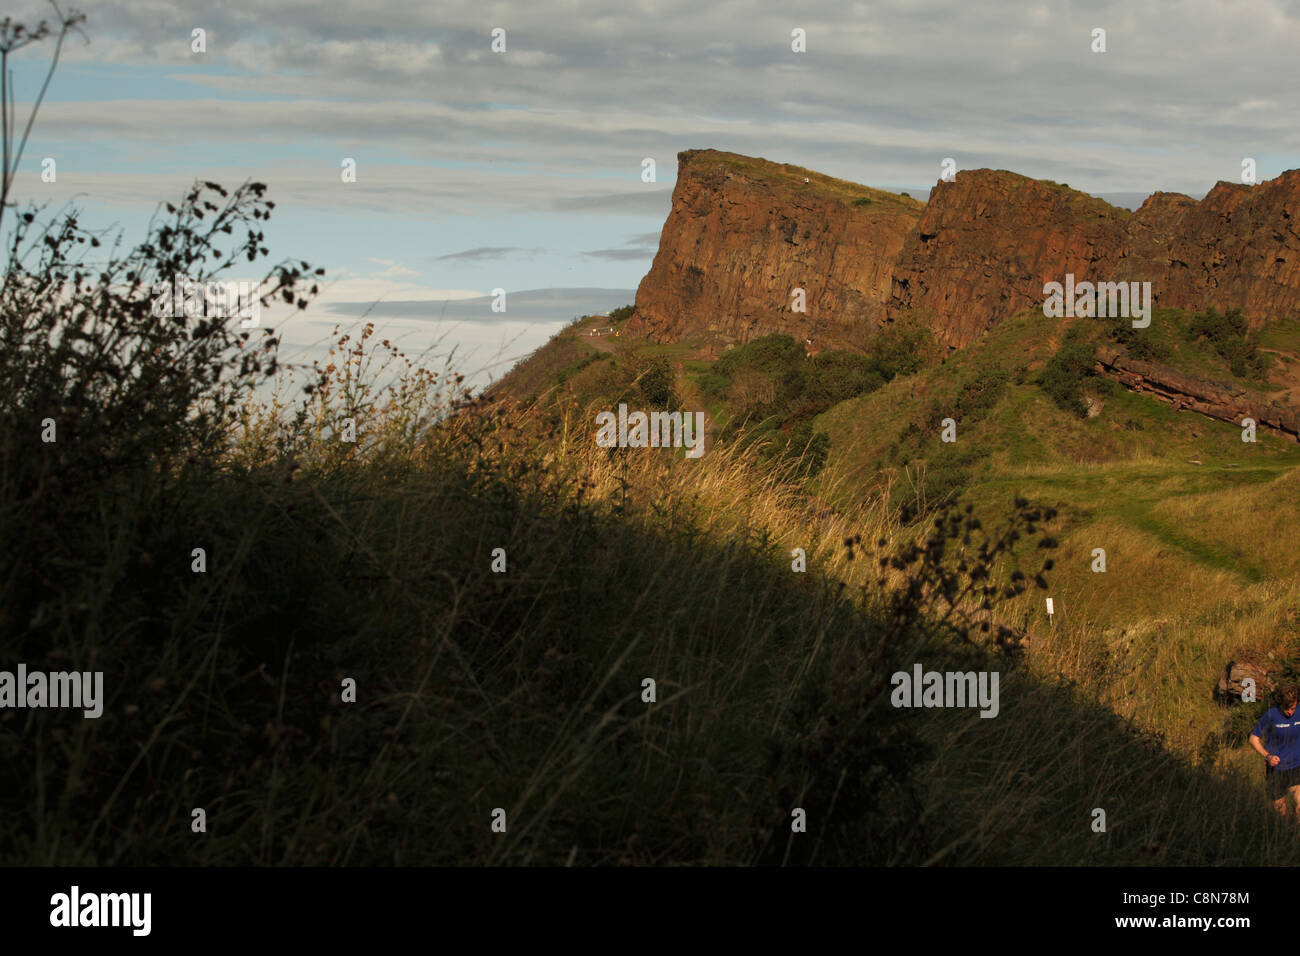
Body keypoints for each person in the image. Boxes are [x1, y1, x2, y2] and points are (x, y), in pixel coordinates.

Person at [1250, 684, 1300, 816]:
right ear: (1281, 704)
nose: (1290, 712)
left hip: (1296, 766)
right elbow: (1253, 739)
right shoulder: (1271, 715)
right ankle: (1284, 834)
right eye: (1287, 709)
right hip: (1276, 769)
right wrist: (1267, 756)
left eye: (1293, 708)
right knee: (1280, 813)